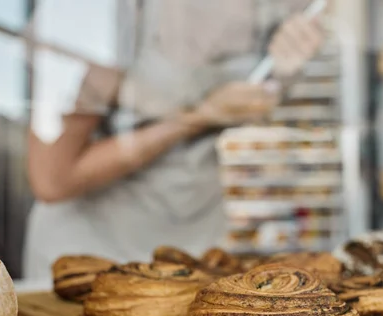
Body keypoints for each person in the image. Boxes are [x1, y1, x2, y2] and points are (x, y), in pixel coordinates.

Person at [24, 0, 324, 281]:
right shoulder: (93, 11)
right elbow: (53, 179)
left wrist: (281, 71)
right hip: (93, 250)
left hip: (197, 245)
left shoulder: (277, 8)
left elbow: (260, 90)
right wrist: (200, 117)